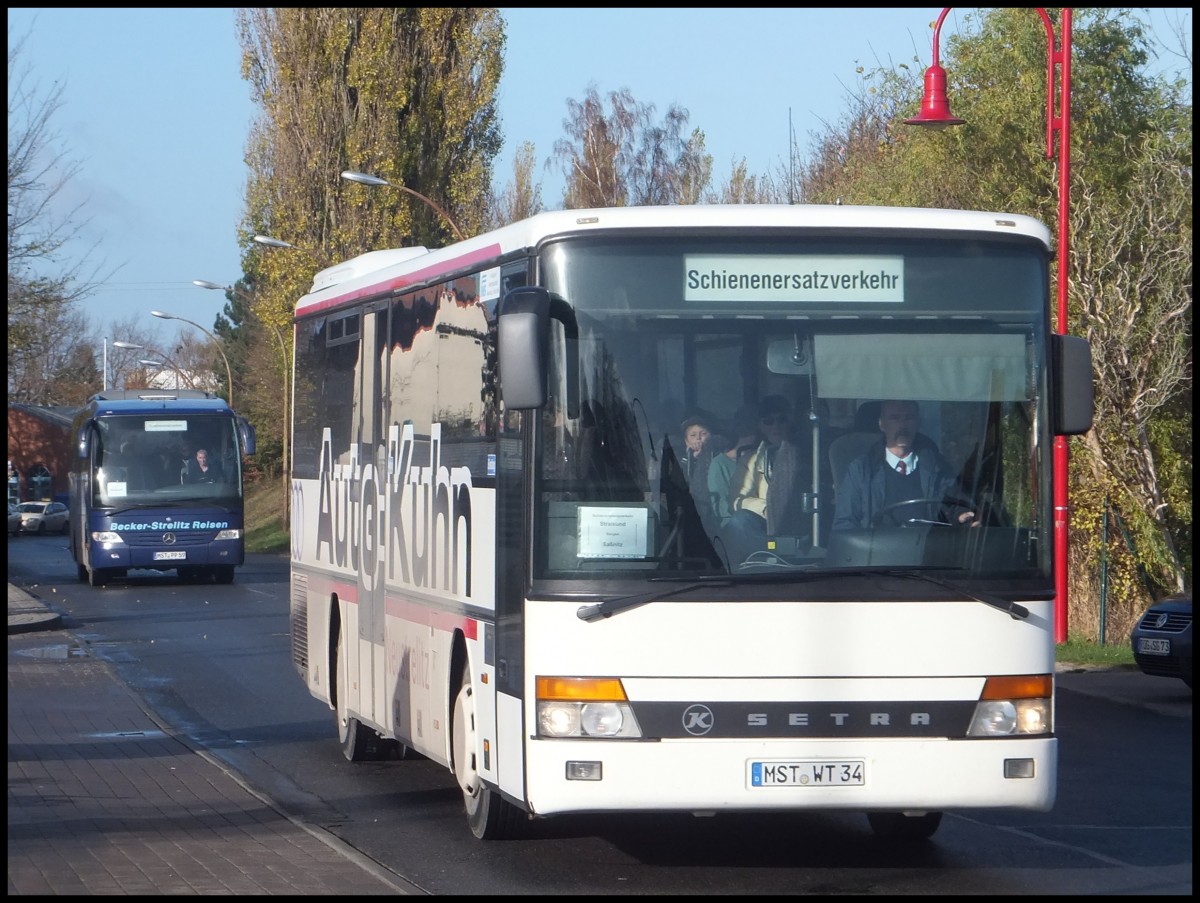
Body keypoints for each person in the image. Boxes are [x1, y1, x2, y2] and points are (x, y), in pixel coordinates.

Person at [831, 399, 977, 531]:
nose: (902, 425)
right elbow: (845, 525)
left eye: (909, 418)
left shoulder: (937, 467)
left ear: (918, 423)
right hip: (877, 557)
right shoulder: (861, 470)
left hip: (929, 555)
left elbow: (954, 503)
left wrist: (960, 515)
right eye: (894, 418)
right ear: (882, 424)